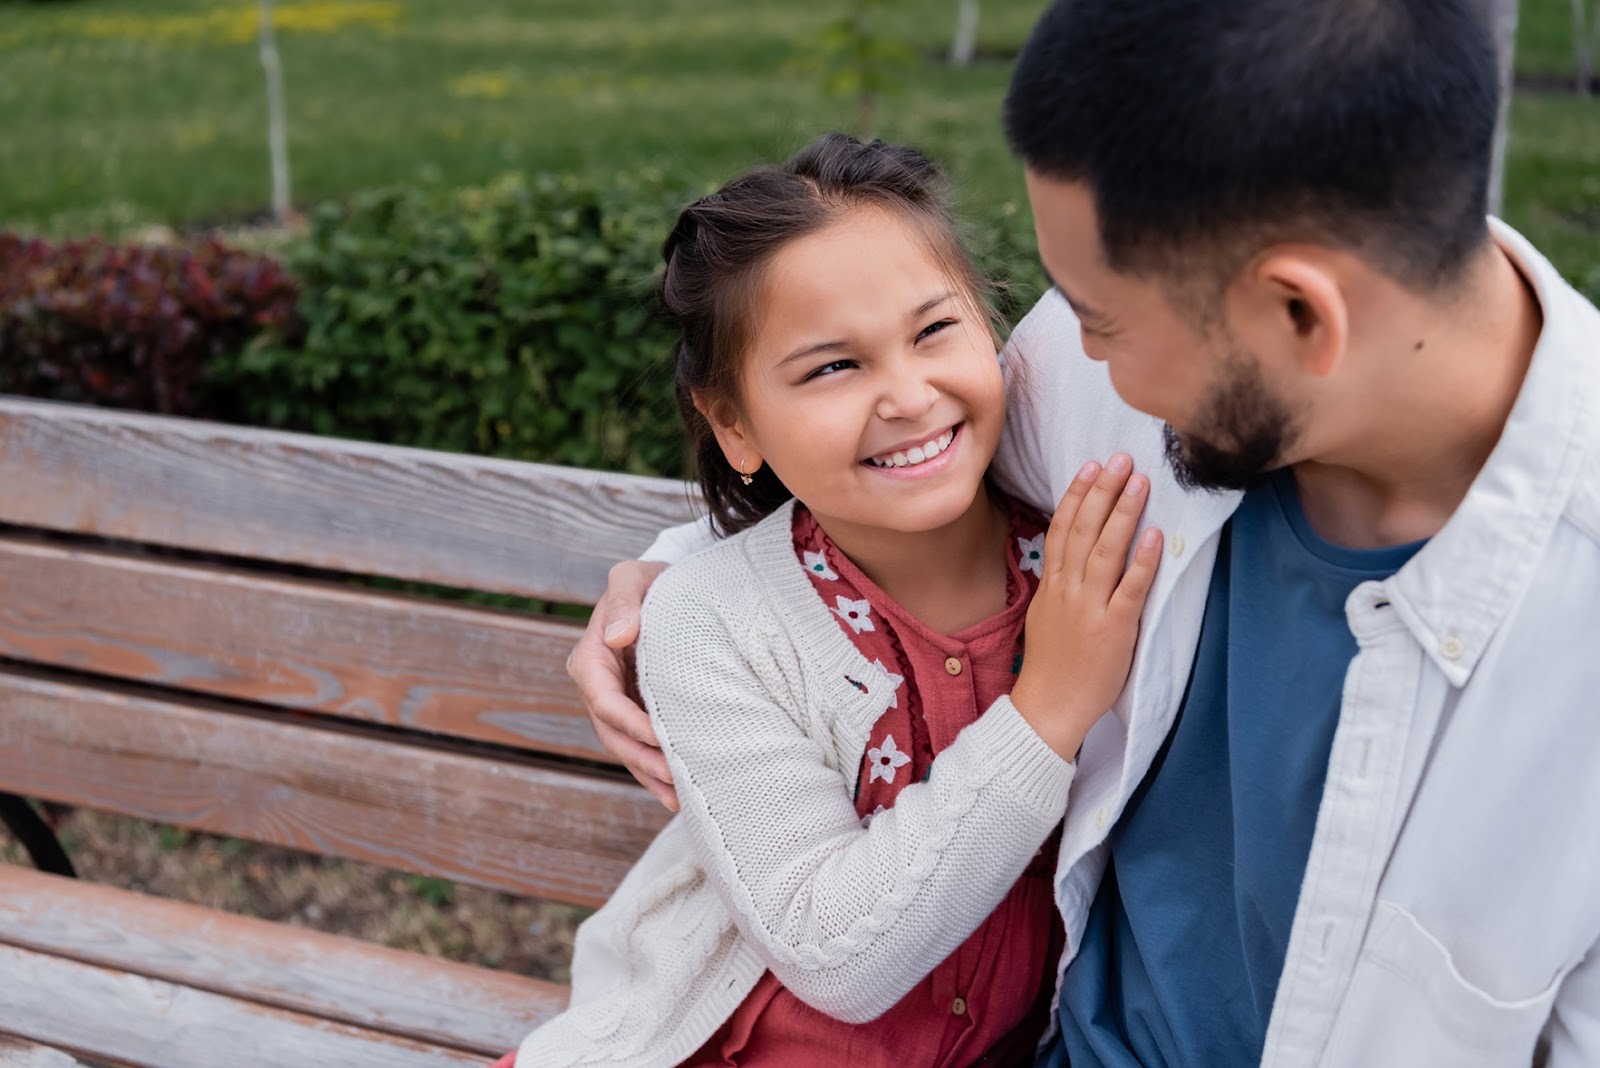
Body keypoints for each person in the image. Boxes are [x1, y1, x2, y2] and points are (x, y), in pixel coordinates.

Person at [573, 0, 1600, 1063]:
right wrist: (666, 573)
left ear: (1300, 318)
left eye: (1097, 320)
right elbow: (882, 487)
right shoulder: (1128, 375)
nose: (1060, 357)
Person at [504, 134, 1163, 1068]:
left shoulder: (1075, 549)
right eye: (832, 368)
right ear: (733, 423)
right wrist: (1049, 708)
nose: (907, 394)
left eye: (936, 330)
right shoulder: (710, 625)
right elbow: (834, 954)